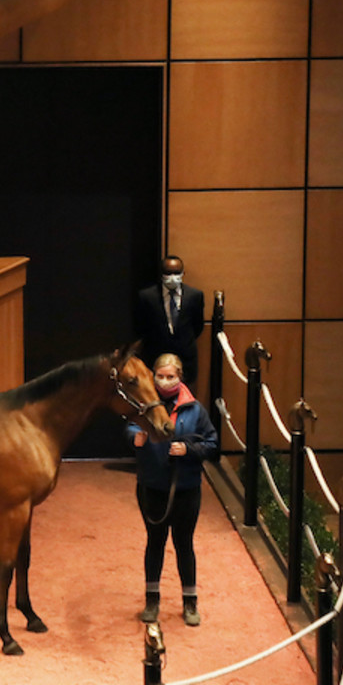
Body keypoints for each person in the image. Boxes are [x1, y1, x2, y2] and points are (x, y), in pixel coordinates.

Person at [127, 353, 219, 626]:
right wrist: (136, 438)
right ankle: (151, 600)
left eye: (171, 377)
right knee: (155, 542)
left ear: (181, 378)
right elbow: (130, 427)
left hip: (186, 487)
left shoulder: (195, 410)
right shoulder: (144, 403)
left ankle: (190, 602)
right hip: (152, 485)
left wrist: (189, 449)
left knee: (184, 544)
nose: (165, 381)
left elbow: (213, 445)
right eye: (161, 376)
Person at [135, 254, 205, 387]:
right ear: (161, 274)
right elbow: (140, 327)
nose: (172, 277)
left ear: (183, 273)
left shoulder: (195, 296)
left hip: (185, 359)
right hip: (155, 358)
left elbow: (197, 327)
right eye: (168, 273)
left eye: (176, 272)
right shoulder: (147, 297)